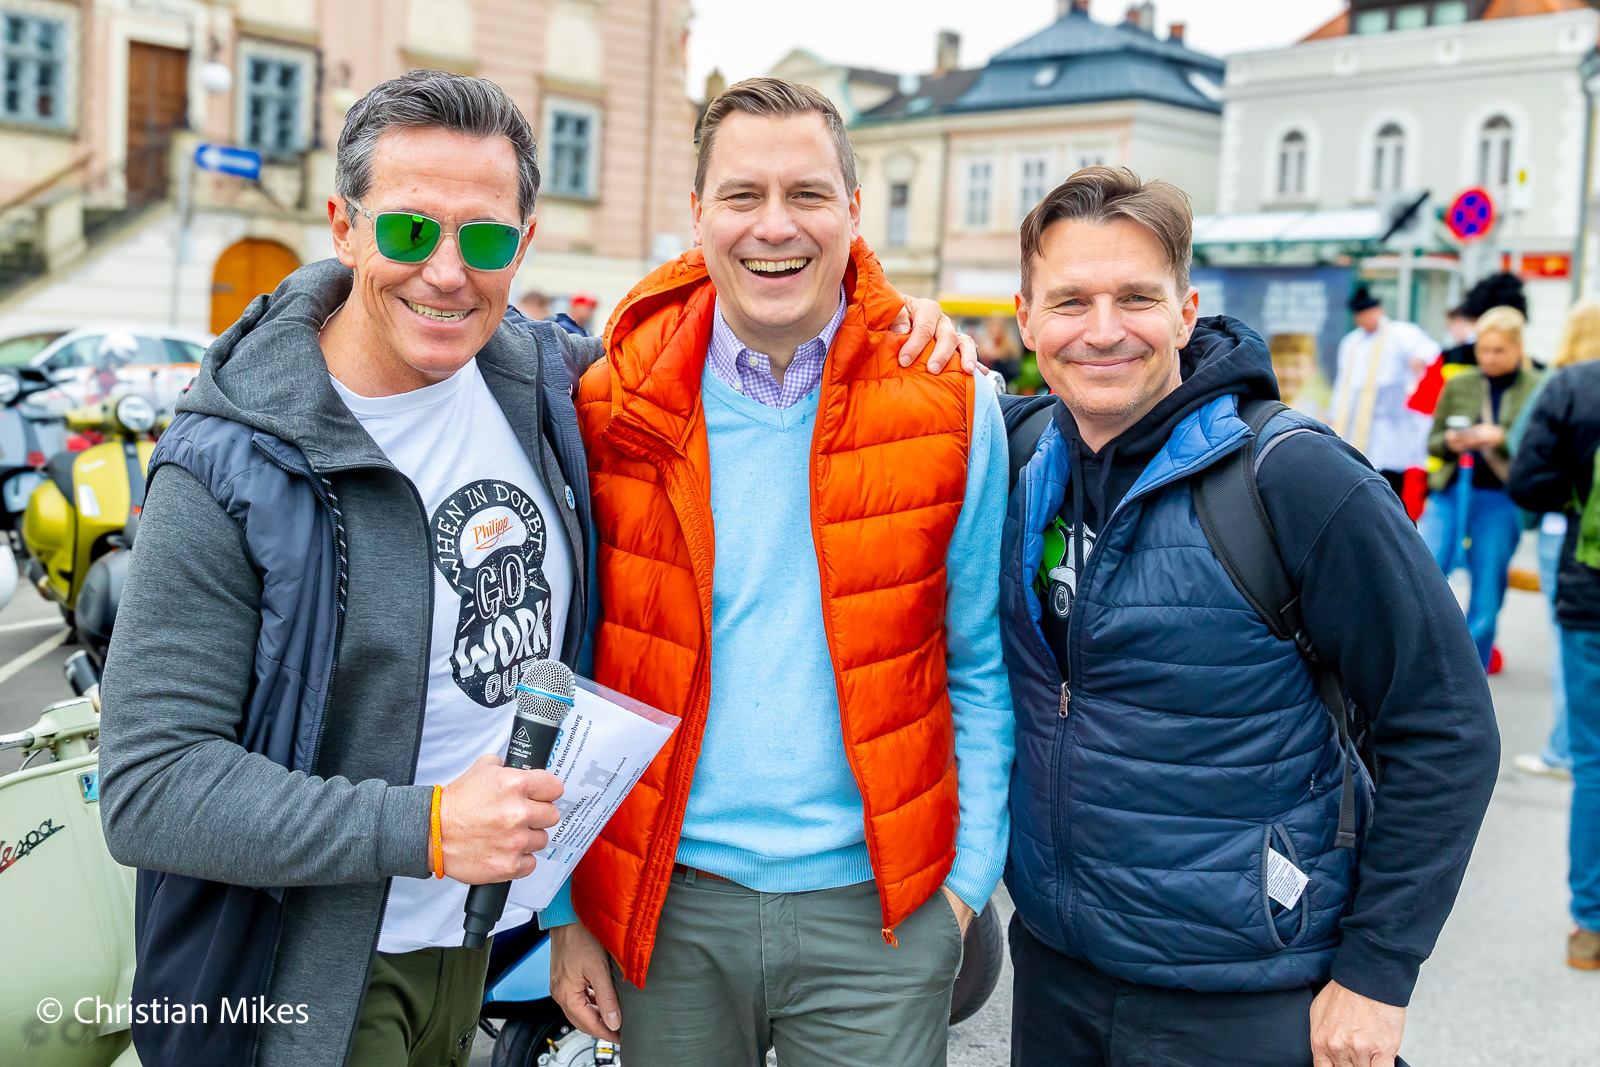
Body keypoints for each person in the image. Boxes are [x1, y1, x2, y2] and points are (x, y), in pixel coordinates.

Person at [544, 78, 1013, 1067]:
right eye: (742, 194)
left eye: (806, 194)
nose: (773, 226)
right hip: (668, 906)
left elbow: (975, 661)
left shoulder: (954, 405)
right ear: (697, 214)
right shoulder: (610, 406)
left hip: (879, 916)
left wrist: (964, 885)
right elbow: (578, 664)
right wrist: (567, 904)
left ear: (853, 210)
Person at [1000, 167, 1498, 1067]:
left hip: (1245, 996)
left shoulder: (1294, 478)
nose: (1103, 329)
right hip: (1056, 973)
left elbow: (1447, 727)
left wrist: (1377, 972)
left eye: (1136, 297)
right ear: (1026, 319)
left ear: (1186, 312)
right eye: (1070, 300)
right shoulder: (1019, 453)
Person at [1508, 345, 1600, 973]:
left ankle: (1589, 926)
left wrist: (1575, 494)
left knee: (1592, 762)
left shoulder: (1576, 386)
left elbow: (1529, 482)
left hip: (1591, 595)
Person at [1419, 305, 1543, 670]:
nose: (1489, 358)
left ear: (1519, 347)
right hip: (1451, 492)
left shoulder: (1538, 386)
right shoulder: (1460, 383)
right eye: (1483, 350)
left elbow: (1542, 448)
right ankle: (1423, 661)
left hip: (1501, 498)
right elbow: (1433, 441)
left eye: (1498, 350)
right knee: (1424, 570)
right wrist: (1451, 442)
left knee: (1488, 587)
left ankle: (1471, 670)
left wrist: (1502, 437)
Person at [1511, 300, 1600, 780]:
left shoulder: (1566, 384)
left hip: (1569, 534)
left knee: (1573, 649)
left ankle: (1565, 749)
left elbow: (1526, 468)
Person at [1328, 286, 1437, 500]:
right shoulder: (1351, 342)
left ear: (1379, 311)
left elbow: (1430, 351)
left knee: (1393, 478)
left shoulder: (1402, 333)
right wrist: (1334, 414)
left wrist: (1419, 359)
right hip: (1357, 421)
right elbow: (1342, 384)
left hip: (1394, 420)